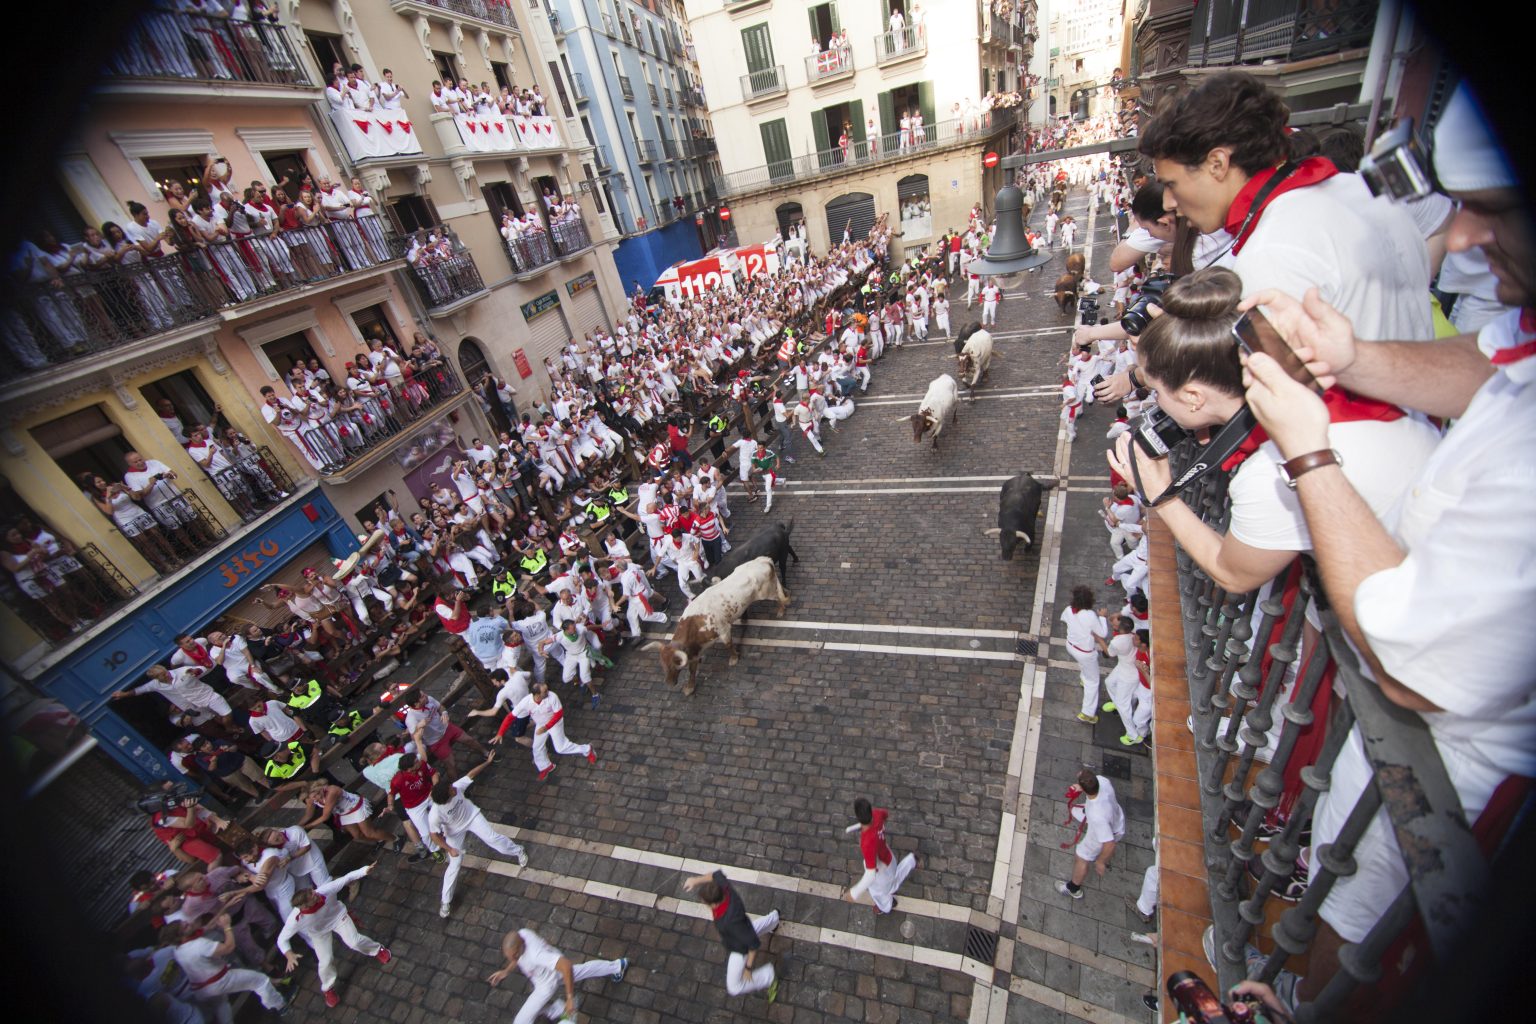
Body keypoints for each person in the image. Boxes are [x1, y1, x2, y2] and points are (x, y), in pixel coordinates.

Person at [1224, 84, 1536, 1007]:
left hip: (1459, 768)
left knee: (1366, 928)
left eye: (1495, 211)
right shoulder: (1522, 323)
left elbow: (1406, 666)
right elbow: (1493, 361)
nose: (1467, 238)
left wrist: (1309, 449)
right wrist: (1355, 360)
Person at [428, 752, 529, 919]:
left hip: (472, 817)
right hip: (454, 831)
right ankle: (445, 902)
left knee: (493, 839)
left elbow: (471, 775)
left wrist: (488, 762)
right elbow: (434, 836)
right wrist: (449, 848)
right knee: (454, 864)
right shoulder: (435, 814)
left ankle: (518, 850)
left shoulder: (456, 787)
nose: (454, 788)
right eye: (451, 789)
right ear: (446, 797)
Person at [278, 864, 391, 1009]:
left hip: (338, 918)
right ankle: (328, 988)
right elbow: (282, 939)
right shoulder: (296, 919)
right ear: (304, 906)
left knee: (354, 942)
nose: (316, 893)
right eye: (312, 896)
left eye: (312, 891)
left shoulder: (324, 891)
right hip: (319, 932)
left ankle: (378, 950)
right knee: (325, 961)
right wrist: (288, 954)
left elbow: (346, 878)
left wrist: (364, 870)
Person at [486, 927, 629, 1024]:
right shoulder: (522, 933)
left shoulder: (536, 955)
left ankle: (562, 1010)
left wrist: (570, 998)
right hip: (553, 970)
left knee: (521, 1021)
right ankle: (618, 966)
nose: (512, 960)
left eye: (514, 956)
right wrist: (506, 971)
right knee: (583, 970)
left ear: (520, 948)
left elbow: (565, 965)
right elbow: (519, 959)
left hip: (546, 984)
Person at [166, 914, 291, 1021]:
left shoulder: (178, 950)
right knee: (260, 981)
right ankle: (280, 1007)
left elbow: (202, 929)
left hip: (201, 990)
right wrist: (227, 926)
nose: (188, 923)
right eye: (185, 926)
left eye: (185, 922)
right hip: (219, 981)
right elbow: (228, 947)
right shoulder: (199, 945)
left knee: (222, 1007)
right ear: (180, 936)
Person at [684, 868, 781, 1001]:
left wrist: (748, 968)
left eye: (704, 901)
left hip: (740, 947)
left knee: (734, 987)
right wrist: (695, 880)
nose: (703, 902)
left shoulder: (729, 922)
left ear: (714, 904)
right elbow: (716, 875)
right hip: (743, 924)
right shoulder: (725, 888)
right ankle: (774, 918)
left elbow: (753, 944)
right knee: (750, 929)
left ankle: (768, 975)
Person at [494, 680, 596, 780]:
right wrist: (500, 733)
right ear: (537, 694)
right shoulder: (526, 702)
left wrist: (546, 727)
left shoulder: (552, 697)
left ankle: (587, 749)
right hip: (541, 724)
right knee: (537, 747)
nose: (548, 692)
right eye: (545, 691)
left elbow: (558, 714)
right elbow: (510, 717)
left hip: (555, 723)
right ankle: (546, 766)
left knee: (561, 748)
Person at [842, 798, 918, 915]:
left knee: (878, 892)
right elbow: (885, 815)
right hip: (889, 857)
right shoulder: (877, 814)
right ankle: (911, 860)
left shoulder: (866, 843)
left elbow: (870, 875)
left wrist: (854, 893)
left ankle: (886, 906)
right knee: (892, 880)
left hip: (881, 871)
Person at [1056, 770, 1125, 900]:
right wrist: (1081, 787)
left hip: (1103, 833)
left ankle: (1073, 889)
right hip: (1117, 820)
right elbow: (1091, 785)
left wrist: (1101, 862)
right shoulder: (1103, 781)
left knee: (1081, 857)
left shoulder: (1096, 816)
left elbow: (1109, 844)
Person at [1060, 586, 1108, 724]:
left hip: (1071, 646)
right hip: (1085, 652)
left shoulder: (1069, 610)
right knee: (1093, 682)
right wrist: (1102, 618)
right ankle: (1087, 713)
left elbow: (1065, 619)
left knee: (1084, 667)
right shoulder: (1090, 615)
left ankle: (1083, 678)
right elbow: (1102, 634)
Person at [1101, 616, 1146, 746]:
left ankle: (1133, 735)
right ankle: (1117, 702)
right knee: (1109, 682)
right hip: (1123, 667)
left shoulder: (1117, 642)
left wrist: (1099, 640)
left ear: (1121, 629)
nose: (1113, 624)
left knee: (1123, 706)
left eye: (1115, 624)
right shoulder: (1134, 633)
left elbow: (1108, 653)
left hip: (1129, 675)